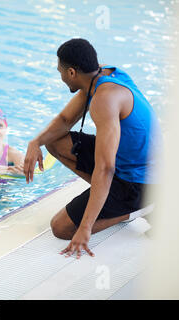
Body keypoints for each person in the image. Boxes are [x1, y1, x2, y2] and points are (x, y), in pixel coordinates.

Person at [23, 38, 161, 259]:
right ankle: (111, 199)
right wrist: (35, 142)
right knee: (54, 140)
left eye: (60, 71)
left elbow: (105, 168)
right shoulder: (103, 75)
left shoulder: (104, 99)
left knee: (62, 228)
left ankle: (141, 207)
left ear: (71, 73)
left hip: (139, 180)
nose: (59, 77)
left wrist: (86, 226)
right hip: (131, 161)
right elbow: (65, 119)